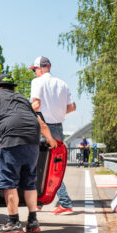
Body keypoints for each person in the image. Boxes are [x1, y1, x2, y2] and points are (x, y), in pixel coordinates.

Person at [0, 74, 57, 233]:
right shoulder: (22, 99)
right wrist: (51, 140)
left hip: (12, 141)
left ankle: (14, 222)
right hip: (32, 142)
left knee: (9, 183)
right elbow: (41, 123)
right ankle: (33, 221)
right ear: (12, 88)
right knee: (29, 182)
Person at [29, 56, 76, 215]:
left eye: (35, 70)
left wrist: (25, 113)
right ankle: (41, 201)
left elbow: (36, 105)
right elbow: (72, 107)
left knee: (40, 165)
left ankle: (63, 202)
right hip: (58, 128)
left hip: (43, 127)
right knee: (55, 165)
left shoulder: (37, 82)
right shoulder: (62, 83)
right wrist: (58, 113)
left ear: (40, 69)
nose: (34, 73)